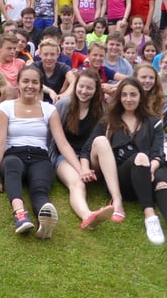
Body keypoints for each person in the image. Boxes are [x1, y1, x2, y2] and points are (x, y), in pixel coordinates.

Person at [82, 78, 167, 253]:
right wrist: (84, 168)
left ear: (141, 97)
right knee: (140, 157)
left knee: (162, 181)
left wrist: (152, 168)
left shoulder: (153, 121)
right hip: (124, 177)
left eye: (133, 95)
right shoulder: (108, 120)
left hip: (151, 168)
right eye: (124, 95)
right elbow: (87, 148)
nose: (128, 99)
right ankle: (150, 217)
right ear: (119, 97)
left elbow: (158, 153)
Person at [0, 66, 86, 238]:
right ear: (18, 84)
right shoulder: (5, 107)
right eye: (25, 81)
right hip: (14, 154)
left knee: (40, 189)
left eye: (35, 82)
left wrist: (80, 170)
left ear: (40, 86)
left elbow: (62, 143)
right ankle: (20, 214)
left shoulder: (49, 110)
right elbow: (0, 143)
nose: (30, 85)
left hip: (40, 157)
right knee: (12, 169)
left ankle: (45, 220)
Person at [51, 69, 113, 229]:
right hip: (65, 156)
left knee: (101, 142)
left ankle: (115, 196)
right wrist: (81, 169)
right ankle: (87, 216)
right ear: (75, 86)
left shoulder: (102, 110)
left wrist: (86, 167)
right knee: (77, 183)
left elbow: (97, 143)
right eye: (81, 86)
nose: (84, 91)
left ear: (96, 90)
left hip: (90, 156)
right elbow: (61, 143)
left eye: (89, 88)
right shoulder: (63, 105)